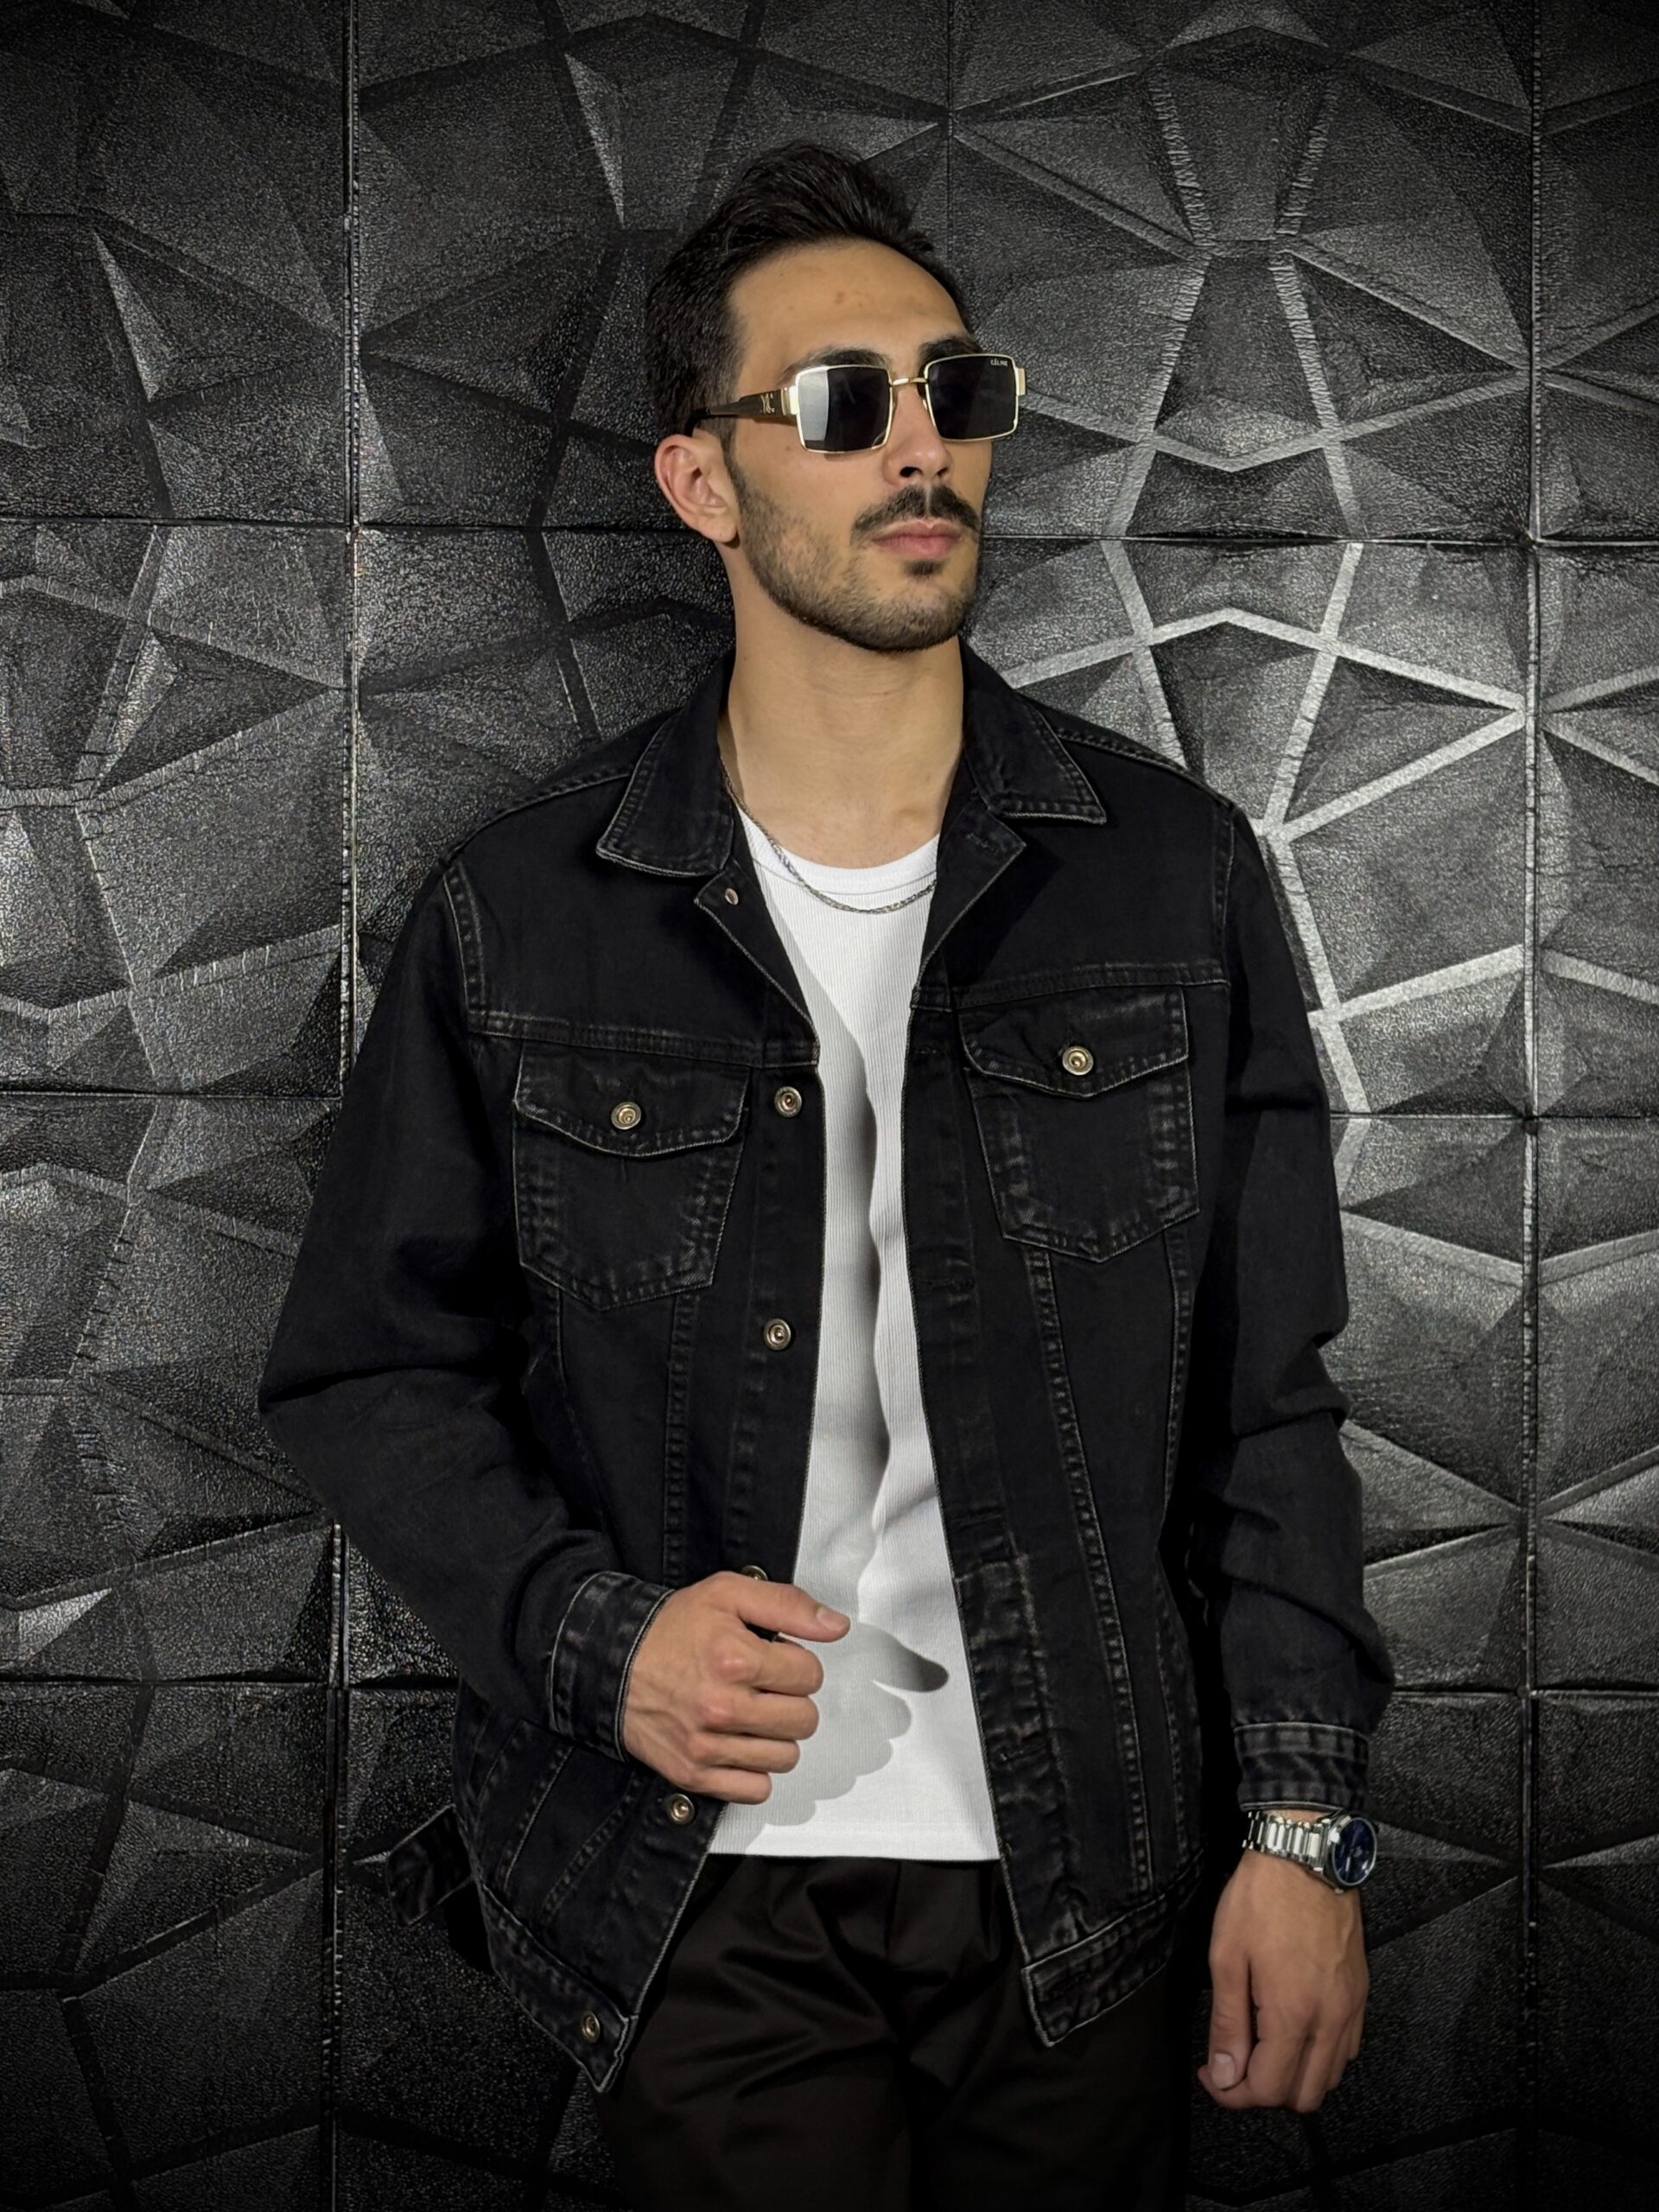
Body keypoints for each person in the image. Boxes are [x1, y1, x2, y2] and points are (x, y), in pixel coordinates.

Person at [257, 138, 1395, 2212]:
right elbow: (369, 1369)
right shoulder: (525, 914)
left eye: (954, 390)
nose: (921, 447)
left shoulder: (1172, 879)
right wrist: (594, 1634)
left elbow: (1271, 1404)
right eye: (843, 403)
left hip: (1094, 1870)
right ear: (704, 478)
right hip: (687, 1893)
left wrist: (1304, 1826)